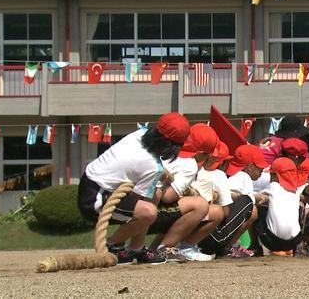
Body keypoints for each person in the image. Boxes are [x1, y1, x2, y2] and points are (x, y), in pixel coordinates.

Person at [77, 112, 189, 264]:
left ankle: (136, 248)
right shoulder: (151, 166)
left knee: (154, 194)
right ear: (174, 147)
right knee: (148, 212)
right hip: (95, 199)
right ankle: (114, 245)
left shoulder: (139, 134)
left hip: (88, 184)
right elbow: (137, 200)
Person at [148, 124, 218, 262]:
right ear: (201, 153)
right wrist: (186, 194)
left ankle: (153, 249)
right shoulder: (189, 164)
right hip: (149, 211)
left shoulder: (165, 150)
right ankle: (166, 248)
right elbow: (168, 197)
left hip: (130, 204)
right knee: (200, 205)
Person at [198, 144, 269, 258]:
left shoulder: (226, 175)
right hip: (214, 233)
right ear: (250, 167)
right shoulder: (243, 177)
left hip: (200, 233)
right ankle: (227, 248)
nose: (261, 171)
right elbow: (229, 205)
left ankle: (229, 247)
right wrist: (256, 197)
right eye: (260, 168)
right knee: (252, 208)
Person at [179, 141, 233, 261]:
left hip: (180, 223)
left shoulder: (186, 166)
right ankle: (226, 248)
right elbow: (226, 212)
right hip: (207, 235)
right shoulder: (218, 175)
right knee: (247, 204)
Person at [254, 157, 304, 255]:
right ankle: (299, 247)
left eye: (272, 174)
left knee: (255, 207)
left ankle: (255, 246)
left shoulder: (273, 186)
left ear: (276, 176)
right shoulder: (295, 191)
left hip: (271, 241)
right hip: (293, 241)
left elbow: (257, 197)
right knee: (300, 206)